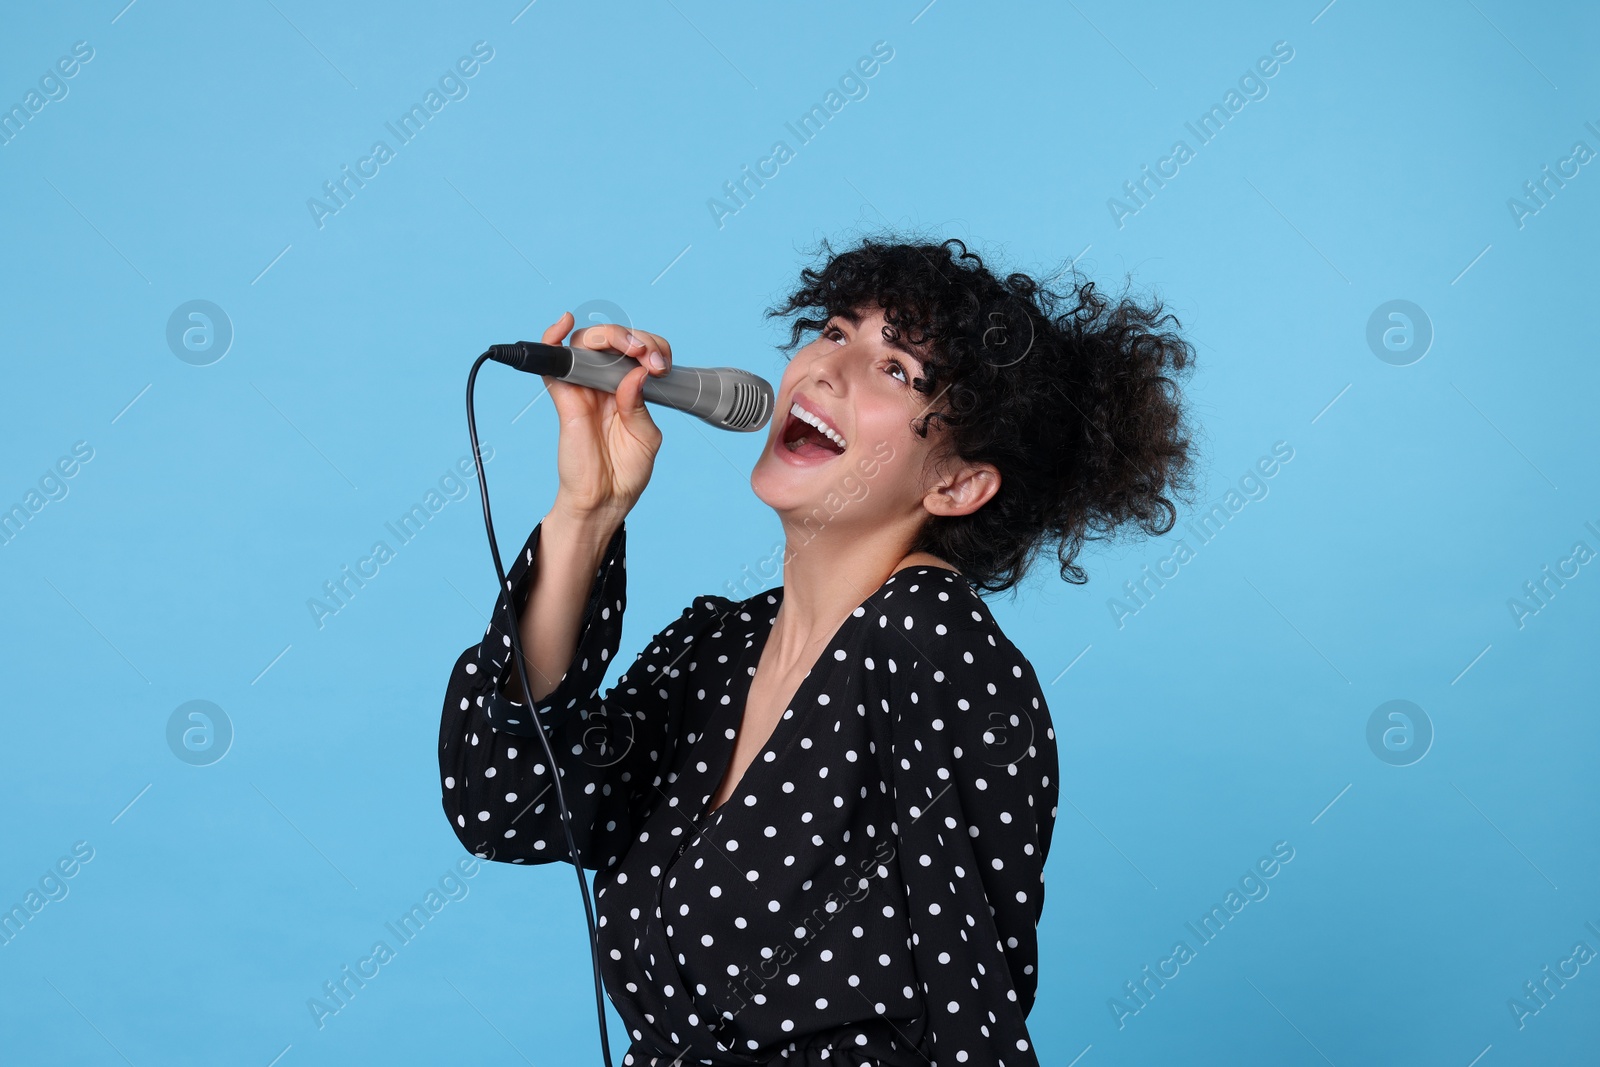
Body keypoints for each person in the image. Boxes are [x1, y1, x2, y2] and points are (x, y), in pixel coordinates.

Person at [438, 234, 1196, 1066]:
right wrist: (588, 510)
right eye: (837, 331)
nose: (830, 369)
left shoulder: (932, 646)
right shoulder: (718, 645)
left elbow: (971, 1003)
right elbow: (501, 804)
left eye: (898, 369)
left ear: (956, 483)